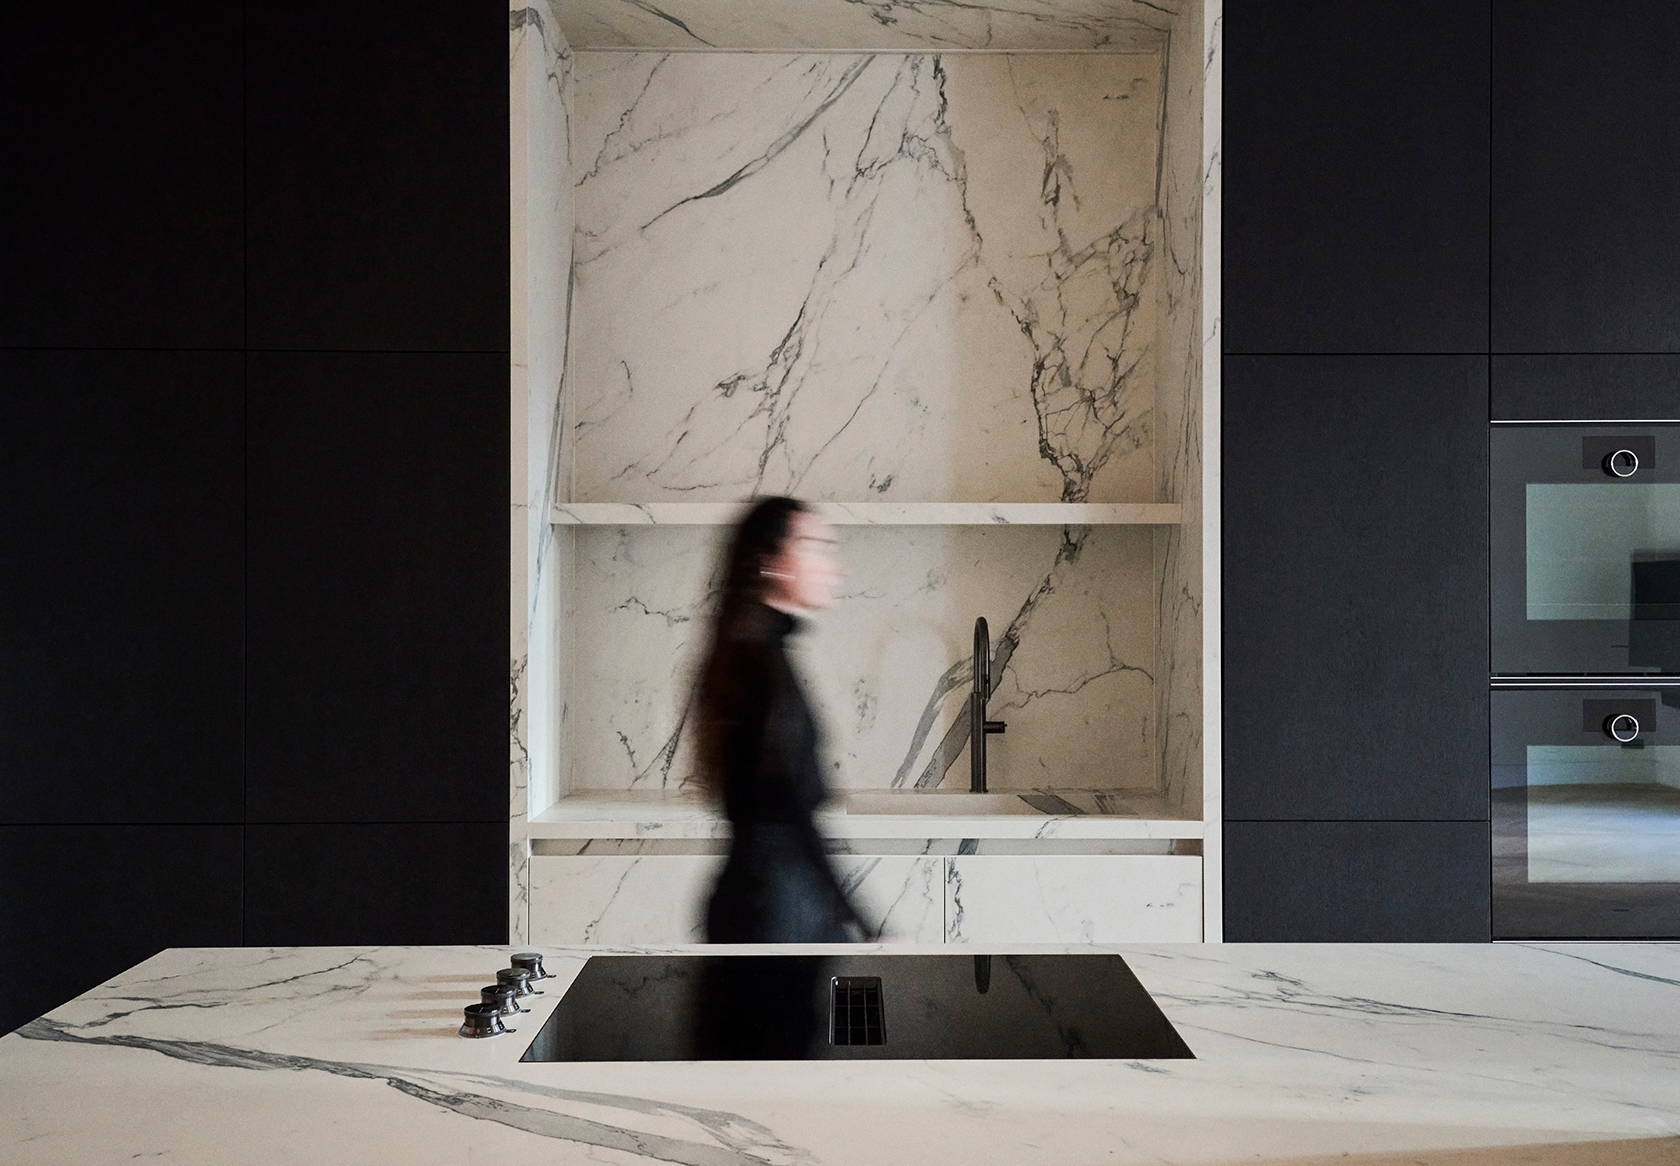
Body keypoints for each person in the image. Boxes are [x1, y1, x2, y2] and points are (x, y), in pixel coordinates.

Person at [695, 496, 862, 944]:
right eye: (817, 547)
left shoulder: (753, 652)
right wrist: (860, 919)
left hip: (764, 902)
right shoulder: (760, 662)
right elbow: (789, 813)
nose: (836, 567)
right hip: (778, 909)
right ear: (770, 562)